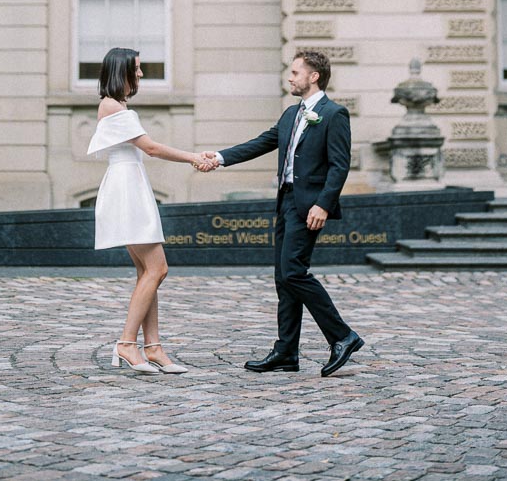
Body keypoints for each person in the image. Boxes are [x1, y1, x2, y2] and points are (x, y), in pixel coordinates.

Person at [198, 49, 364, 378]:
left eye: (295, 72)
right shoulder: (291, 114)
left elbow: (339, 166)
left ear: (313, 76)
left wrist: (323, 204)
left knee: (293, 273)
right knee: (282, 279)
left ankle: (342, 336)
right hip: (285, 202)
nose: (290, 77)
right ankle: (287, 351)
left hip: (309, 206)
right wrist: (218, 157)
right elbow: (260, 143)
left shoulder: (334, 114)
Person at [87, 45, 216, 374]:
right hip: (127, 190)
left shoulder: (117, 106)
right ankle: (128, 344)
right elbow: (152, 148)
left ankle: (153, 347)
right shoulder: (114, 108)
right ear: (122, 71)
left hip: (130, 186)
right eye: (137, 68)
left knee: (148, 273)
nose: (142, 74)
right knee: (158, 269)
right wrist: (193, 157)